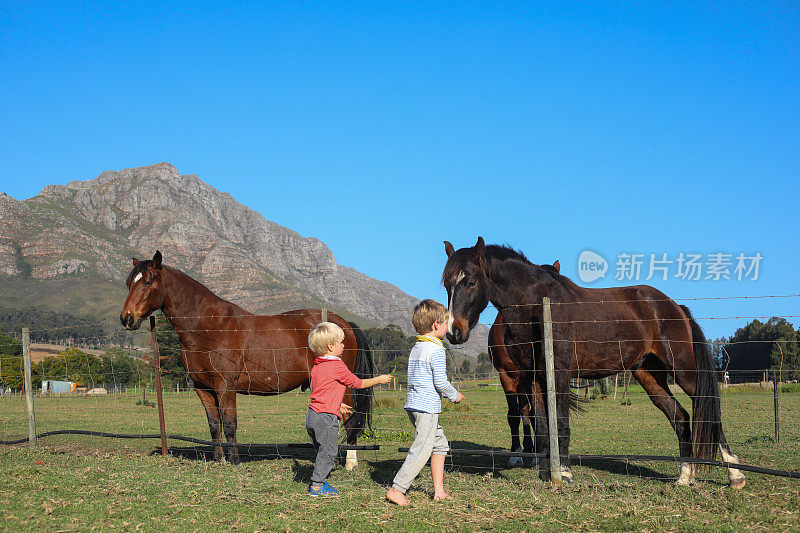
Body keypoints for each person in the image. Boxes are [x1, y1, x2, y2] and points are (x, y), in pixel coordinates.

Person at [386, 299, 465, 506]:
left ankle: (439, 491)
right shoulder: (436, 350)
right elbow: (440, 381)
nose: (448, 328)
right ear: (436, 325)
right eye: (446, 323)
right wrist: (453, 394)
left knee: (440, 445)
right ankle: (398, 488)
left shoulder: (418, 346)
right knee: (421, 449)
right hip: (426, 407)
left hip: (413, 404)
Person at [306, 321, 392, 496]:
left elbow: (321, 391)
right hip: (326, 418)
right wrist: (379, 379)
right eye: (341, 342)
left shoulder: (316, 366)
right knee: (329, 452)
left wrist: (338, 404)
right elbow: (357, 383)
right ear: (331, 346)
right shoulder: (337, 365)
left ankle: (320, 478)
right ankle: (317, 485)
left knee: (322, 450)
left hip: (312, 415)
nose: (344, 345)